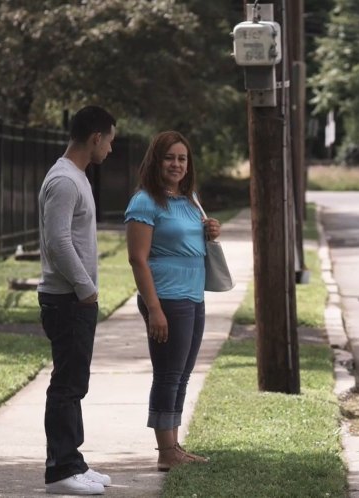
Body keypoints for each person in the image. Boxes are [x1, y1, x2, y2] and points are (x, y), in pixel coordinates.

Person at [124, 131, 221, 472]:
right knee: (168, 374)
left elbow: (192, 241)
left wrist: (210, 230)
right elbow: (137, 259)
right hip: (165, 299)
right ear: (156, 161)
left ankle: (174, 445)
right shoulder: (144, 202)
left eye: (182, 158)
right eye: (169, 158)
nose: (176, 164)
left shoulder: (190, 199)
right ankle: (165, 452)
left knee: (181, 374)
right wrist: (154, 309)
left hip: (193, 297)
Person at [37, 105, 116, 495]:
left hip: (74, 299)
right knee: (67, 385)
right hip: (67, 299)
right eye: (110, 141)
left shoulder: (76, 177)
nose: (111, 150)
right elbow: (58, 241)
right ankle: (61, 470)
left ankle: (73, 461)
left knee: (74, 383)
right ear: (96, 138)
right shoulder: (65, 181)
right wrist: (85, 288)